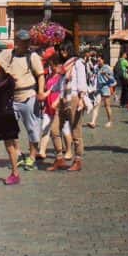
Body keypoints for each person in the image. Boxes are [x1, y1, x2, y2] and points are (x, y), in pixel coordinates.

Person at [0, 30, 45, 170]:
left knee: (32, 128)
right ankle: (18, 154)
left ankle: (32, 157)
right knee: (10, 130)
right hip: (11, 97)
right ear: (16, 42)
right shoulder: (9, 54)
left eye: (27, 41)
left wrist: (40, 92)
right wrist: (0, 73)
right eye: (23, 41)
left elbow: (40, 75)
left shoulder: (33, 56)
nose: (26, 44)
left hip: (29, 95)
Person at [48, 42, 88, 171]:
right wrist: (49, 93)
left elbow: (82, 80)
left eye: (64, 49)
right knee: (54, 129)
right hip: (63, 99)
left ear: (70, 49)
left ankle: (78, 160)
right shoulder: (64, 66)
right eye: (60, 50)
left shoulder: (78, 62)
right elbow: (60, 83)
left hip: (74, 97)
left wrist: (82, 98)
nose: (62, 52)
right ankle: (59, 158)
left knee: (76, 130)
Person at [87, 55, 116, 129]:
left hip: (106, 87)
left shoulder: (108, 68)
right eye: (97, 61)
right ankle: (93, 122)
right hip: (98, 87)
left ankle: (110, 121)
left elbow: (112, 80)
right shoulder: (96, 67)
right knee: (96, 104)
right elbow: (93, 75)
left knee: (107, 105)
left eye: (99, 60)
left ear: (103, 60)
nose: (98, 62)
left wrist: (105, 74)